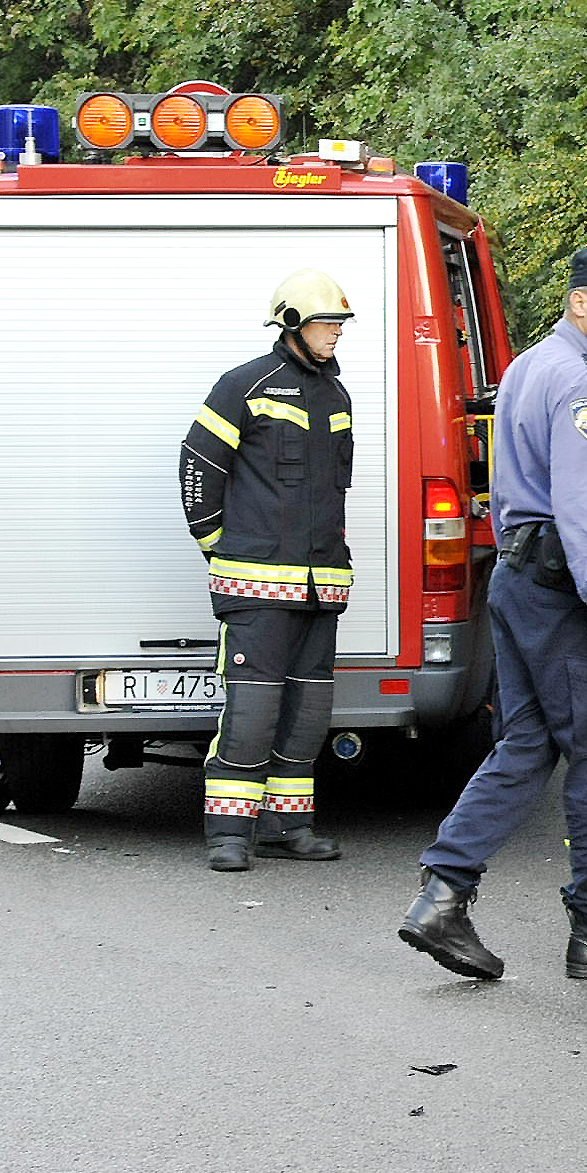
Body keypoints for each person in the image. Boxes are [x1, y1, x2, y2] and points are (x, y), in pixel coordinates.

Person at [398, 244, 587, 982]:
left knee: (524, 746)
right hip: (565, 593)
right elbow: (585, 510)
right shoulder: (582, 384)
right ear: (578, 301)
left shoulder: (526, 366)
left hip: (520, 579)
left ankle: (443, 894)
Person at [179, 269, 356, 873]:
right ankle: (228, 834)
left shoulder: (337, 396)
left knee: (307, 716)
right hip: (253, 587)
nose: (334, 333)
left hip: (321, 585)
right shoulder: (244, 385)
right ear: (290, 325)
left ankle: (289, 827)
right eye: (324, 323)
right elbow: (198, 464)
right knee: (251, 714)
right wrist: (218, 546)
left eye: (338, 324)